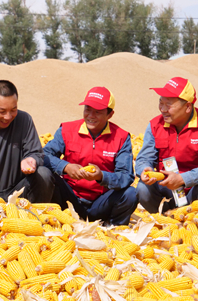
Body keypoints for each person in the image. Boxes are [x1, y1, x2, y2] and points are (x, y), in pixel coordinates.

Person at [43, 87, 137, 226]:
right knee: (44, 173)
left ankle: (114, 229)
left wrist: (101, 177)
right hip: (70, 198)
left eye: (98, 112)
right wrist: (66, 167)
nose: (91, 116)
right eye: (87, 109)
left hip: (101, 202)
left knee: (131, 193)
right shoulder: (67, 130)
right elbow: (44, 155)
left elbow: (126, 176)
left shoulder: (121, 138)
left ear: (110, 114)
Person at [135, 77, 198, 213]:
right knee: (142, 189)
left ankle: (195, 218)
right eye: (161, 103)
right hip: (165, 188)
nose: (162, 109)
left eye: (168, 105)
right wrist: (144, 168)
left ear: (188, 107)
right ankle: (164, 217)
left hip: (193, 188)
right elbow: (144, 158)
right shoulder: (155, 125)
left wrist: (183, 179)